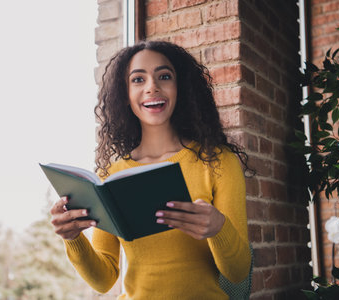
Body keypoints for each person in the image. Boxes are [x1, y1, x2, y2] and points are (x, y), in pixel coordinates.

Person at [50, 40, 251, 299]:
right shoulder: (110, 176)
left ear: (182, 88)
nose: (152, 87)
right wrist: (73, 238)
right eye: (138, 79)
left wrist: (218, 228)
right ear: (124, 95)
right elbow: (103, 280)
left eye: (164, 76)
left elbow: (238, 273)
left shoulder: (218, 161)